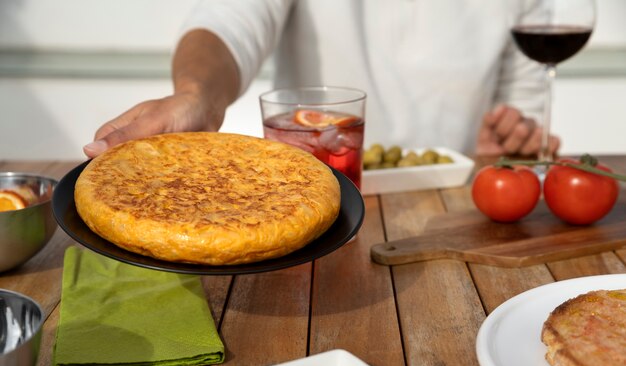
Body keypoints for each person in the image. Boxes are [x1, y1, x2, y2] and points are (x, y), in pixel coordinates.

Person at [85, 0, 560, 159]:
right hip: (317, 197)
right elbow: (229, 20)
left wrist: (505, 138)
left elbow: (522, 102)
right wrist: (197, 96)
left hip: (452, 210)